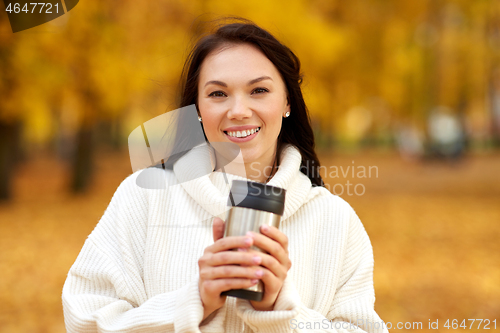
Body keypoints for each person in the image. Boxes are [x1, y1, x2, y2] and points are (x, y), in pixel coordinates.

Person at [62, 18, 388, 333]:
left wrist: (278, 311)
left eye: (259, 90)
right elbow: (83, 320)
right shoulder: (144, 197)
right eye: (218, 94)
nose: (238, 110)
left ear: (287, 100)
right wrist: (193, 304)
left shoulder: (336, 221)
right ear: (198, 109)